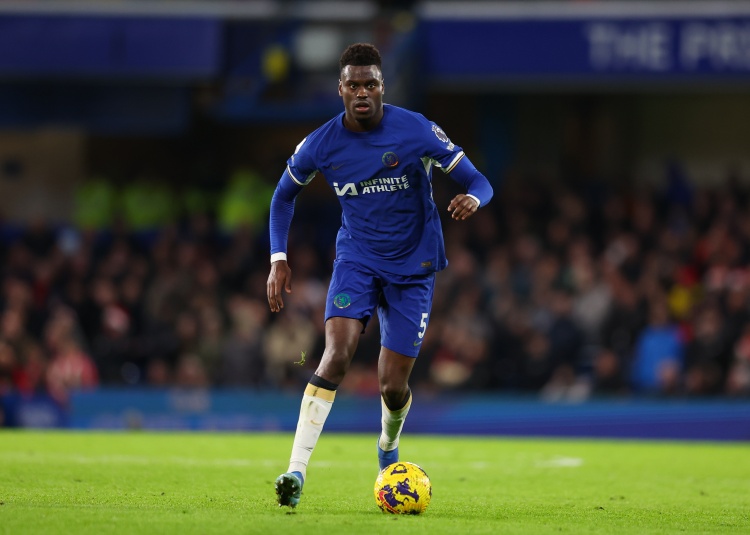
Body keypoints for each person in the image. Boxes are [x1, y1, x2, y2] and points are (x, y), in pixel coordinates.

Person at [266, 43, 493, 508]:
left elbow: (479, 181)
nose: (362, 92)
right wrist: (277, 258)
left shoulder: (416, 129)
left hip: (414, 268)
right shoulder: (321, 144)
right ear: (341, 89)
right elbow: (283, 196)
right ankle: (295, 471)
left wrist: (474, 198)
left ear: (382, 87)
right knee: (336, 355)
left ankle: (387, 447)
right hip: (358, 260)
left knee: (393, 384)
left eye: (370, 84)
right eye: (354, 85)